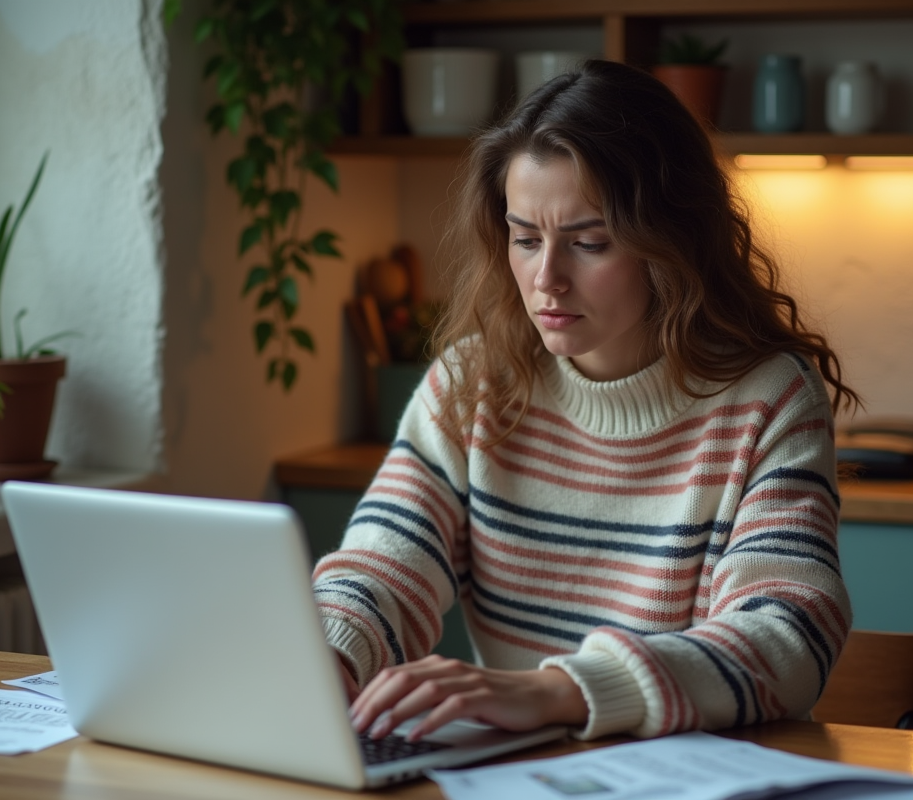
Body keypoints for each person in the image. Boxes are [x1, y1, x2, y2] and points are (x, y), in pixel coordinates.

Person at [313, 58, 858, 745]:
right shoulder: (474, 380)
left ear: (673, 241)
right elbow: (381, 567)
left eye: (589, 243)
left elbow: (788, 634)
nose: (547, 280)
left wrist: (558, 691)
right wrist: (327, 656)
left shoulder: (768, 400)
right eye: (525, 239)